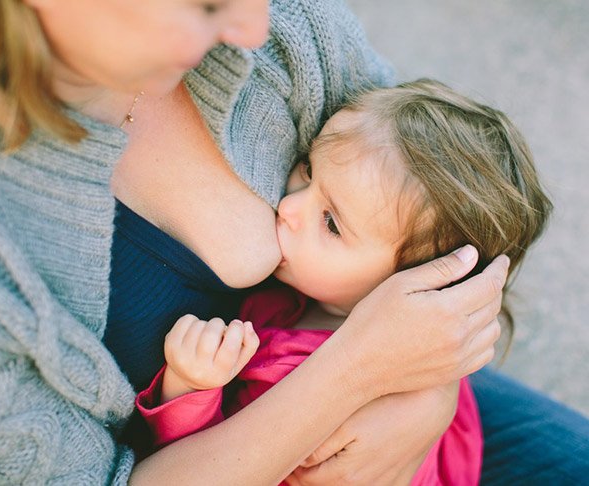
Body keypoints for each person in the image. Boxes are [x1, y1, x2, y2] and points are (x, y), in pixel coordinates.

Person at [0, 0, 586, 485]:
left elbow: (448, 202)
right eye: (206, 4)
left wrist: (429, 391)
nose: (254, 29)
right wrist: (363, 365)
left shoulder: (278, 28)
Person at [134, 78, 552, 485]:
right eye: (308, 169)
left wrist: (188, 388)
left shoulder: (298, 387)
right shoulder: (398, 334)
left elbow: (221, 467)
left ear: (417, 288)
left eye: (331, 223)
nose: (289, 206)